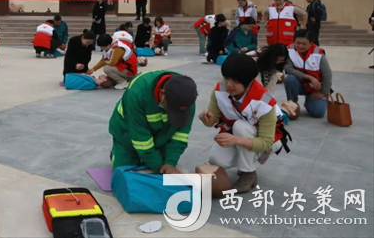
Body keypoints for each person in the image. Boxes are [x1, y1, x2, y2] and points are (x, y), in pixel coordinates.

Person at [200, 53, 286, 193]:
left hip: (270, 140)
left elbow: (266, 142)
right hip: (239, 134)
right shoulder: (219, 89)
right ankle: (245, 160)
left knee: (241, 126)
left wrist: (235, 140)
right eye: (226, 78)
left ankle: (248, 173)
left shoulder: (264, 100)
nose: (229, 84)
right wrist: (206, 119)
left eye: (235, 81)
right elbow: (212, 119)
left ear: (248, 81)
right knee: (217, 160)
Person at [109, 71, 197, 173]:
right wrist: (159, 167)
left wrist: (170, 162)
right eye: (171, 109)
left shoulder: (187, 99)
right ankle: (118, 152)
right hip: (128, 130)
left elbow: (180, 135)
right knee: (123, 172)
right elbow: (141, 139)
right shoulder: (138, 93)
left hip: (161, 133)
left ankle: (155, 151)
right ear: (162, 93)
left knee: (161, 166)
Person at [284, 30, 333, 118]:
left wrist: (323, 92)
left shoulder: (318, 53)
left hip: (315, 88)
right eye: (298, 43)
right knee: (289, 79)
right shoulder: (290, 50)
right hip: (299, 84)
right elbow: (288, 68)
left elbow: (327, 74)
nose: (300, 46)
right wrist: (307, 76)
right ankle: (292, 104)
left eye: (304, 44)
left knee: (318, 113)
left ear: (311, 43)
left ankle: (309, 100)